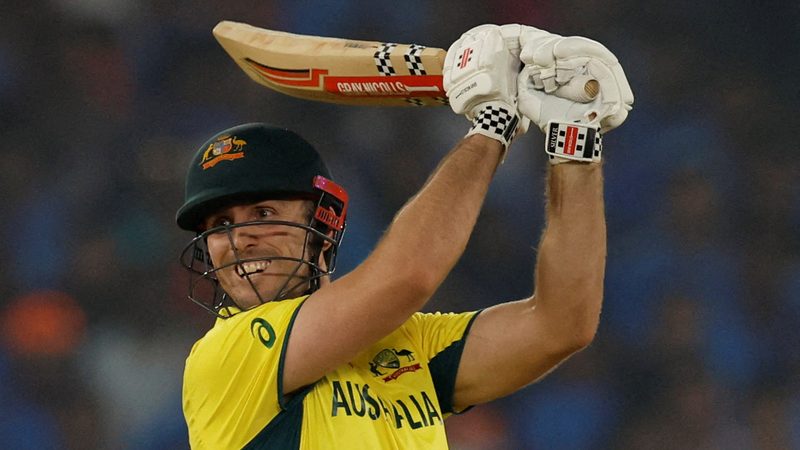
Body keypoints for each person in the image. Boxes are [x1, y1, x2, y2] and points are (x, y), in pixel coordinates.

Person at [176, 24, 633, 449]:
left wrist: (574, 139)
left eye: (264, 213)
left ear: (323, 223)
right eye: (220, 226)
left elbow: (562, 324)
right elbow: (409, 276)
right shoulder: (225, 354)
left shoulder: (407, 344)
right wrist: (493, 123)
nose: (239, 240)